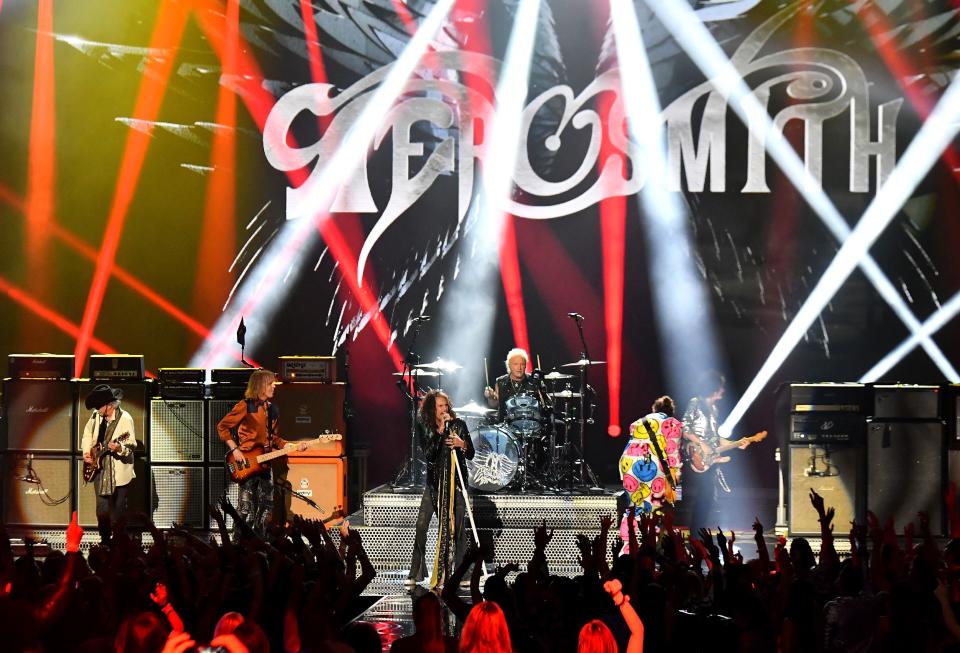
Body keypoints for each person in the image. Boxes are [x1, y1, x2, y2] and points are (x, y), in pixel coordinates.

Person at [217, 369, 306, 538]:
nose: (274, 386)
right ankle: (237, 539)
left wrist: (291, 446)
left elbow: (275, 439)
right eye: (270, 383)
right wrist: (235, 450)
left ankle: (259, 538)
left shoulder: (273, 409)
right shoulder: (246, 406)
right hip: (246, 462)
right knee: (245, 505)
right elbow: (222, 427)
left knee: (267, 504)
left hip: (265, 462)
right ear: (260, 386)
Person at [406, 390, 475, 589]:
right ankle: (416, 571)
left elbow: (470, 453)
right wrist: (440, 433)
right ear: (431, 409)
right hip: (434, 485)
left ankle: (462, 573)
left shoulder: (458, 425)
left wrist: (462, 444)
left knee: (459, 527)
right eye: (440, 406)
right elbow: (429, 455)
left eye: (446, 405)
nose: (444, 409)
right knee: (421, 525)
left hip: (456, 483)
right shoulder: (425, 427)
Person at [681, 370, 746, 534]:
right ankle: (696, 535)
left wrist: (736, 443)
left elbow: (715, 438)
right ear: (714, 388)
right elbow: (684, 428)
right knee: (704, 497)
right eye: (721, 387)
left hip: (710, 459)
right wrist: (701, 443)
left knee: (708, 498)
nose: (723, 390)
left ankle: (699, 534)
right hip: (696, 456)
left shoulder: (714, 410)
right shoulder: (695, 403)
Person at [81, 384, 138, 546]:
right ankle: (105, 541)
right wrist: (87, 452)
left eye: (99, 406)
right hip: (99, 468)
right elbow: (86, 435)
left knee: (118, 511)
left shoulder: (125, 419)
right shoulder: (96, 416)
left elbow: (131, 445)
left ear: (110, 405)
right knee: (102, 509)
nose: (97, 409)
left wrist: (119, 447)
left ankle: (120, 542)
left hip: (119, 471)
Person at [620, 396, 683, 524]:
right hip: (652, 465)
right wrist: (676, 476)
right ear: (671, 411)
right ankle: (650, 540)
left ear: (655, 409)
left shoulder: (639, 421)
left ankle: (628, 539)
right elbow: (673, 453)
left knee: (633, 507)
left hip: (628, 463)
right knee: (653, 508)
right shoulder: (672, 424)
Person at [483, 348, 552, 424]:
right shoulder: (500, 381)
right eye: (515, 364)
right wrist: (490, 397)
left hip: (530, 424)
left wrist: (543, 390)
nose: (519, 368)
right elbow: (494, 405)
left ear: (525, 365)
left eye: (522, 364)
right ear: (509, 365)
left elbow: (548, 404)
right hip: (506, 425)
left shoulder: (534, 381)